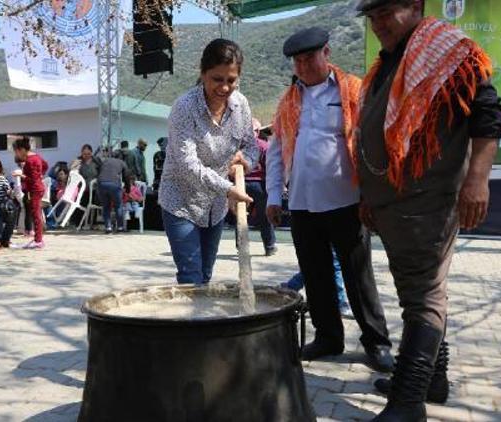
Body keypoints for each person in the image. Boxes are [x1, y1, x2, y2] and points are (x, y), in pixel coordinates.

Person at [354, 1, 501, 419]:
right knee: (416, 294)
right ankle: (433, 380)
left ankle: (408, 402)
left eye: (386, 12)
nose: (378, 24)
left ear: (415, 5)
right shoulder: (388, 63)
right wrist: (368, 196)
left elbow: (489, 117)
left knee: (424, 296)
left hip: (428, 202)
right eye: (372, 18)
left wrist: (477, 180)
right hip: (391, 204)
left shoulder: (450, 51)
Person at [266, 27, 393, 370]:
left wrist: (374, 194)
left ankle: (377, 342)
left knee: (357, 275)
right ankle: (328, 338)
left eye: (309, 57)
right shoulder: (289, 100)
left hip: (346, 200)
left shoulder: (354, 89)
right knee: (315, 272)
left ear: (327, 52)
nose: (303, 66)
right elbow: (276, 151)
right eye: (297, 61)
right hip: (303, 203)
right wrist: (274, 196)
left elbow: (371, 142)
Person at [159, 38, 257, 285]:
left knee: (205, 273)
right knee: (191, 276)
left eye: (231, 80)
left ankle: (201, 321)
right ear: (202, 74)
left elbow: (251, 145)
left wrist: (245, 161)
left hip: (215, 206)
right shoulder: (184, 107)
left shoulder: (241, 104)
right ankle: (190, 323)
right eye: (217, 79)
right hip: (180, 200)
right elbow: (187, 164)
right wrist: (228, 189)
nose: (224, 88)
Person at [244, 118, 276, 256]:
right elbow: (271, 167)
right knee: (264, 217)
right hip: (259, 184)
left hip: (242, 184)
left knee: (241, 217)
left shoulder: (237, 146)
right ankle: (269, 246)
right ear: (257, 131)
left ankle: (241, 246)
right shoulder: (264, 146)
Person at [13, 138, 48, 249]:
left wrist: (20, 175)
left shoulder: (30, 160)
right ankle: (38, 238)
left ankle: (38, 240)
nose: (16, 154)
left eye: (16, 151)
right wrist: (40, 174)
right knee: (35, 213)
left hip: (35, 189)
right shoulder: (36, 156)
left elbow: (32, 179)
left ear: (22, 149)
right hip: (37, 188)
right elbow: (45, 165)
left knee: (36, 214)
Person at [97, 150, 128, 234]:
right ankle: (120, 227)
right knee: (118, 206)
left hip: (101, 183)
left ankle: (108, 227)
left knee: (106, 206)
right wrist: (127, 189)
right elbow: (126, 177)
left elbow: (99, 171)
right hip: (114, 184)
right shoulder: (122, 162)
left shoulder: (105, 161)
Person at [70, 144, 101, 224]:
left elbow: (101, 170)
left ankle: (92, 223)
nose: (86, 156)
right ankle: (79, 223)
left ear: (91, 153)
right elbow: (72, 171)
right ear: (81, 153)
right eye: (84, 154)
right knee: (81, 205)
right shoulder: (79, 161)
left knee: (93, 206)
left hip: (94, 188)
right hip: (82, 188)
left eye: (88, 154)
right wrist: (74, 165)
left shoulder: (96, 161)